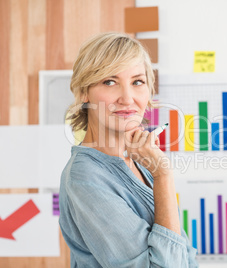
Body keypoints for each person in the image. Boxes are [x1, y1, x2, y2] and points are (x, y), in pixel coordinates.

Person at [59, 32, 198, 268]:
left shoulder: (140, 159)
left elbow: (184, 255)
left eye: (137, 82)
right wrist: (163, 175)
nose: (127, 98)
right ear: (84, 93)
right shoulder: (85, 178)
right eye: (109, 81)